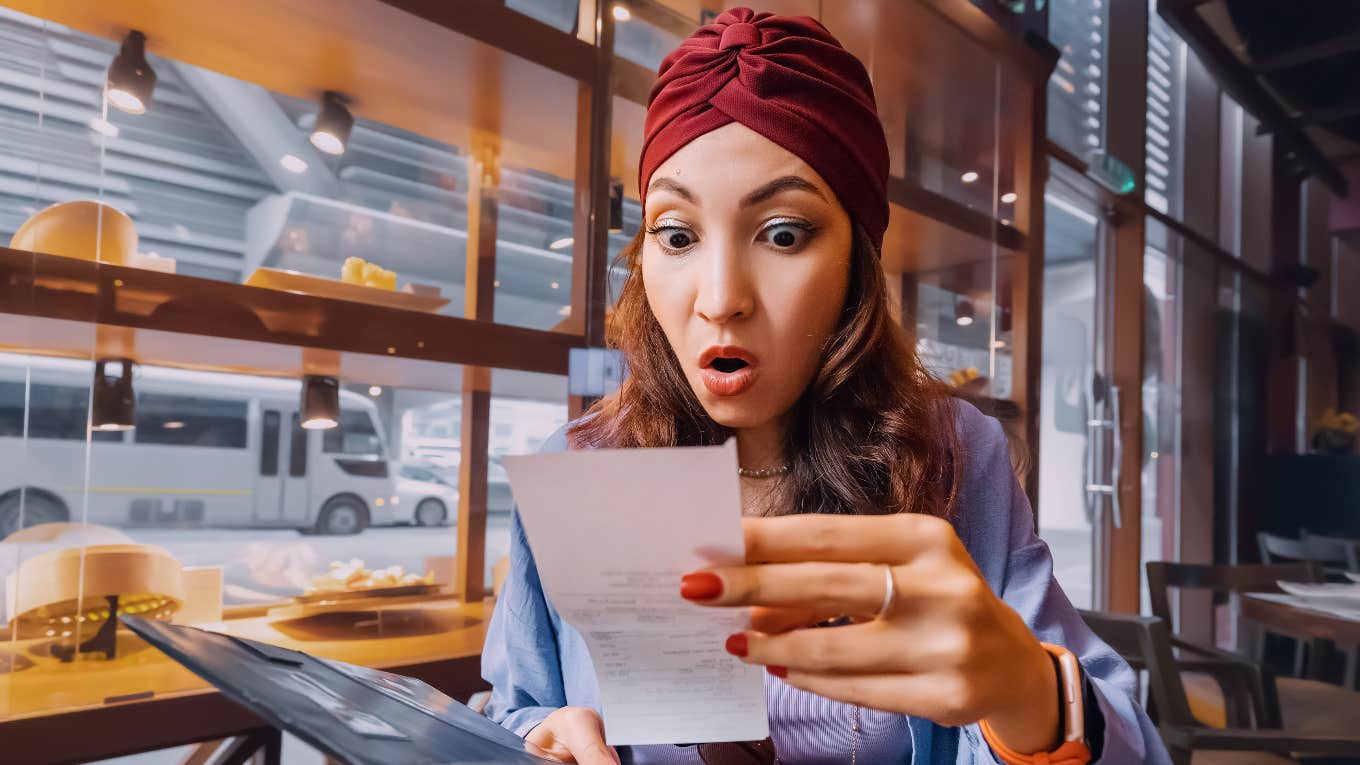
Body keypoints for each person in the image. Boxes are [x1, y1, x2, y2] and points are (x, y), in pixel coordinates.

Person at [482, 8, 1169, 764]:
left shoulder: (949, 455)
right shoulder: (583, 466)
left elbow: (1132, 743)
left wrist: (1027, 691)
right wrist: (536, 736)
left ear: (857, 264)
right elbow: (513, 704)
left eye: (783, 233)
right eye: (677, 235)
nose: (720, 297)